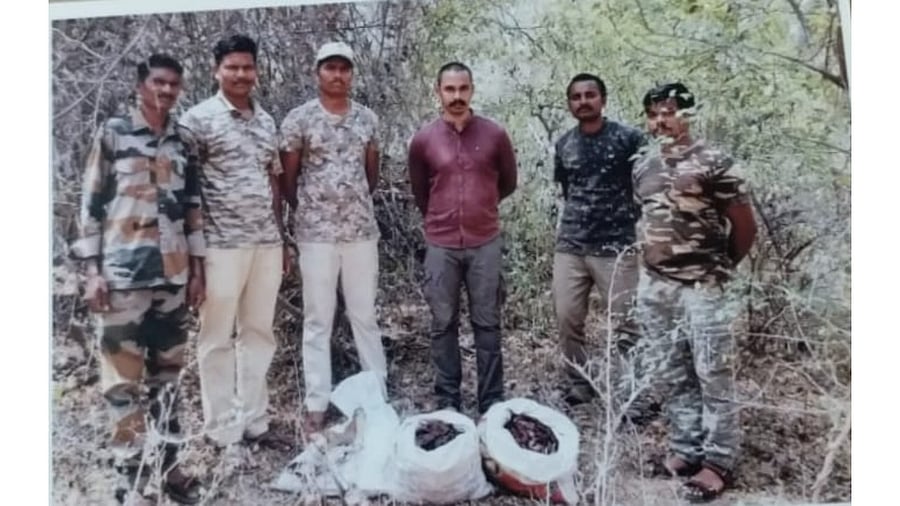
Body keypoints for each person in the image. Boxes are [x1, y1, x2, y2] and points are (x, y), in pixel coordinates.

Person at [70, 54, 203, 504]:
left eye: (173, 84)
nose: (166, 91)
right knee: (122, 384)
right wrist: (92, 271)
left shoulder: (183, 141)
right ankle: (130, 479)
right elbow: (89, 207)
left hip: (172, 279)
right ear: (141, 85)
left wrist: (197, 271)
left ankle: (170, 470)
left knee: (168, 379)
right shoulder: (113, 134)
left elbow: (192, 211)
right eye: (158, 82)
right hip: (121, 279)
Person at [632, 82, 757, 502]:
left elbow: (744, 227)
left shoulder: (714, 161)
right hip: (656, 285)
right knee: (670, 371)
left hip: (703, 287)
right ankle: (686, 449)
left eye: (669, 112)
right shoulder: (644, 165)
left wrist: (717, 271)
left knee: (713, 372)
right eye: (653, 113)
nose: (661, 121)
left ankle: (718, 461)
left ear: (688, 114)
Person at [178, 34, 292, 451]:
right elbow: (185, 192)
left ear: (256, 71)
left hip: (264, 243)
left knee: (259, 333)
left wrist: (282, 239)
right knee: (216, 337)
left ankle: (256, 421)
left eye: (248, 67)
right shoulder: (197, 121)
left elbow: (274, 181)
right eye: (233, 67)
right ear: (216, 70)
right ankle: (222, 428)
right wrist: (194, 258)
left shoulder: (265, 121)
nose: (241, 75)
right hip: (220, 247)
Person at [279, 41, 388, 434]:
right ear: (317, 73)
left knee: (364, 315)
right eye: (330, 68)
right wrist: (312, 209)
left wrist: (350, 204)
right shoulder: (299, 120)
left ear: (352, 74)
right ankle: (316, 403)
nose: (338, 75)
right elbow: (289, 180)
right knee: (318, 319)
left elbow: (370, 175)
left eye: (345, 68)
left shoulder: (367, 119)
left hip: (360, 233)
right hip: (316, 236)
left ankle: (378, 395)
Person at [407, 61, 518, 415]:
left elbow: (508, 183)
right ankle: (448, 401)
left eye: (463, 89)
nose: (457, 97)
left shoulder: (495, 134)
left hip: (484, 242)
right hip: (441, 247)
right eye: (449, 89)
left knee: (487, 323)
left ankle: (491, 402)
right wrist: (443, 219)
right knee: (442, 324)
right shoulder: (423, 139)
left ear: (472, 90)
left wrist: (479, 209)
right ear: (437, 91)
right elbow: (421, 191)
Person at [551, 73, 646, 407]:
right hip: (572, 246)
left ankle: (632, 395)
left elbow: (646, 186)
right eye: (576, 97)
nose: (583, 101)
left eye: (590, 95)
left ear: (603, 100)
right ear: (569, 104)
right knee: (567, 318)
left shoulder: (629, 139)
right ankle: (580, 383)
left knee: (628, 324)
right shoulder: (565, 144)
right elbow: (567, 189)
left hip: (616, 248)